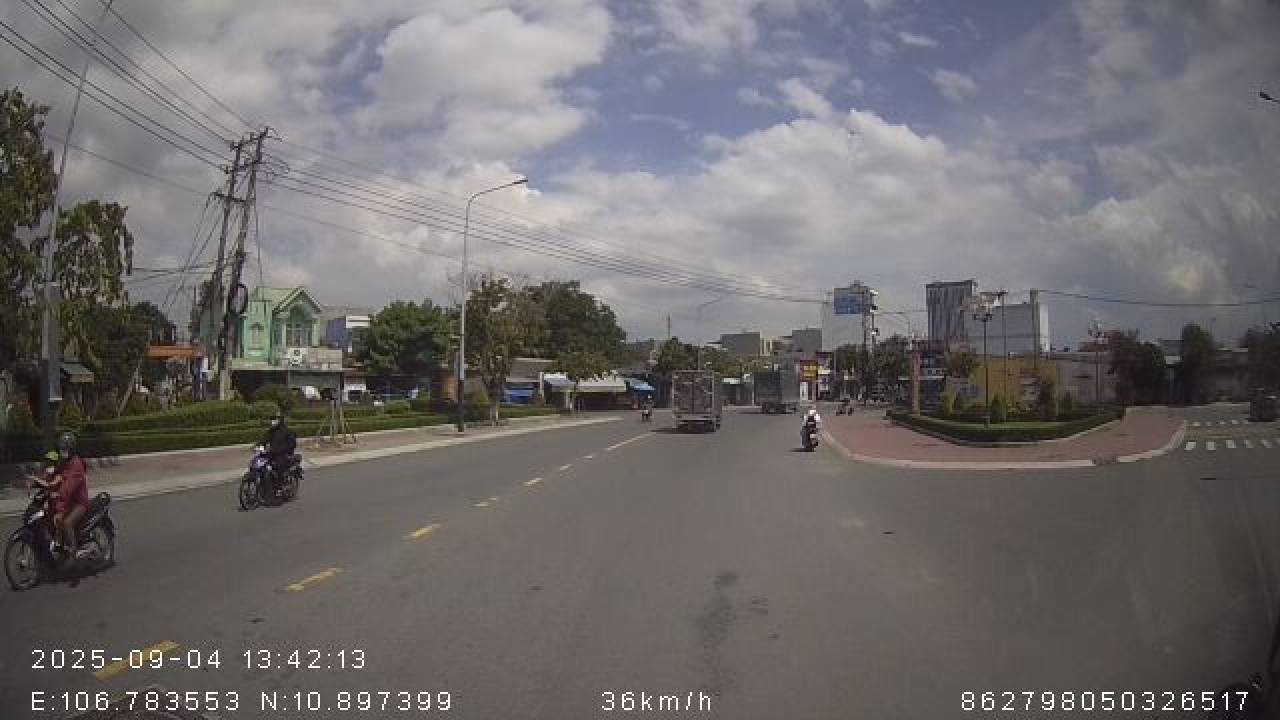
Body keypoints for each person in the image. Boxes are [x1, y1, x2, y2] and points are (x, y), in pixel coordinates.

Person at [45, 433, 90, 558]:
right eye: (62, 449)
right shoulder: (64, 462)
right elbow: (57, 474)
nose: (63, 451)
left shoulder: (77, 465)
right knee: (54, 517)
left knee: (67, 522)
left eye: (66, 449)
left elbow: (68, 489)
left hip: (79, 503)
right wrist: (42, 482)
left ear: (71, 449)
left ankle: (73, 551)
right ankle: (60, 544)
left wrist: (58, 498)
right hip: (69, 501)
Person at [260, 412, 297, 496]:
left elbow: (292, 444)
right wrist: (259, 446)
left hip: (283, 455)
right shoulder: (271, 431)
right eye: (272, 419)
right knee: (262, 464)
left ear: (280, 420)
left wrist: (282, 450)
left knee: (278, 466)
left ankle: (279, 487)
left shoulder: (287, 431)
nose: (273, 421)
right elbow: (264, 439)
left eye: (275, 419)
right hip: (272, 454)